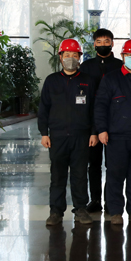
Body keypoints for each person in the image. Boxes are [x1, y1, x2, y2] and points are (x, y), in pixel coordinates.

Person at [38, 39, 99, 226]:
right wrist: (44, 133)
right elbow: (44, 108)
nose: (70, 58)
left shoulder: (88, 81)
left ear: (80, 57)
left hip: (81, 136)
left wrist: (94, 132)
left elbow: (95, 109)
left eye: (74, 55)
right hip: (57, 136)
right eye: (67, 55)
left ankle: (80, 209)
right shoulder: (52, 81)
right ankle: (56, 211)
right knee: (58, 175)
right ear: (60, 57)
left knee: (80, 174)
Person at [94, 39, 131, 225]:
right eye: (129, 55)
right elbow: (100, 105)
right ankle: (115, 212)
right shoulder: (111, 79)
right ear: (122, 56)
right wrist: (102, 129)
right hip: (116, 136)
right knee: (115, 175)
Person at [79, 28, 123, 213]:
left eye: (106, 41)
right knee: (94, 164)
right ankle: (95, 199)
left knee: (113, 165)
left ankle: (112, 201)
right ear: (94, 44)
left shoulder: (120, 65)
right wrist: (93, 129)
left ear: (112, 43)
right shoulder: (86, 66)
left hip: (115, 122)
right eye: (99, 41)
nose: (103, 45)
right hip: (93, 123)